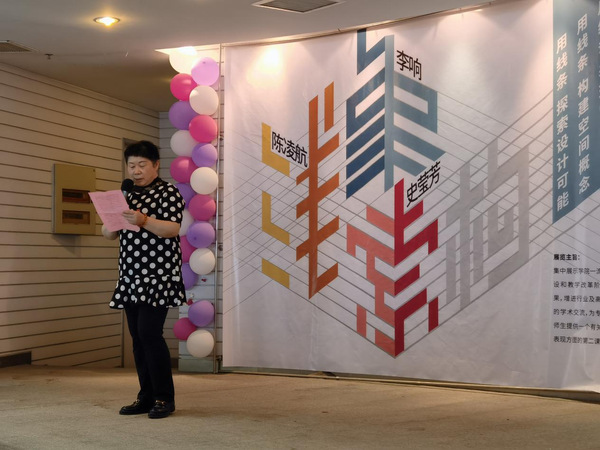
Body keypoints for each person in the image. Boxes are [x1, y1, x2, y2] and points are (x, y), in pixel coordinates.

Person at [102, 140, 186, 419]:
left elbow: (172, 229)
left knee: (149, 333)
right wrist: (111, 219)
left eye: (142, 165)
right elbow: (109, 234)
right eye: (131, 166)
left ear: (155, 165)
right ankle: (146, 396)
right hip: (130, 275)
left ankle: (164, 398)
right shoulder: (125, 195)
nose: (136, 171)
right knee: (138, 337)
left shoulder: (167, 192)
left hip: (158, 274)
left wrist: (143, 220)